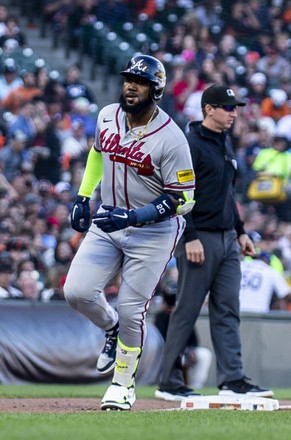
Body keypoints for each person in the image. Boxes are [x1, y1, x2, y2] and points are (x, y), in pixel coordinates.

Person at [64, 54, 195, 411]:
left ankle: (122, 384)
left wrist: (135, 216)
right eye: (128, 80)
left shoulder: (172, 138)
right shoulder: (107, 115)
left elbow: (183, 199)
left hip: (154, 231)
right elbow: (96, 153)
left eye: (139, 82)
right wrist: (83, 195)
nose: (130, 86)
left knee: (131, 307)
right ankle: (110, 329)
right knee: (76, 292)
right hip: (109, 219)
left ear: (157, 90)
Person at [155, 84, 274, 401]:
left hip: (227, 238)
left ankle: (232, 380)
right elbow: (178, 194)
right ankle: (168, 380)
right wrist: (190, 236)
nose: (234, 112)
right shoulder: (190, 144)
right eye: (228, 107)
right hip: (200, 238)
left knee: (227, 310)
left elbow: (227, 194)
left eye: (235, 107)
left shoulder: (224, 141)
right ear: (209, 109)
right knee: (187, 311)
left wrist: (241, 230)